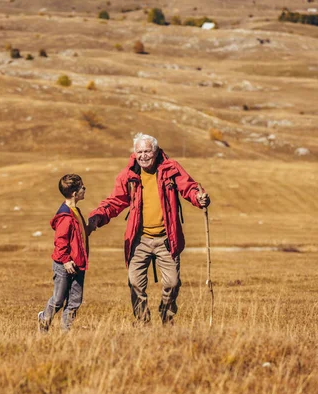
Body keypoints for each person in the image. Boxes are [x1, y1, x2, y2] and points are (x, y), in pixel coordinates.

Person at [88, 133, 210, 324]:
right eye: (139, 152)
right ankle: (143, 321)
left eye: (147, 151)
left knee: (172, 283)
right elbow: (115, 202)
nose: (143, 156)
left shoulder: (170, 169)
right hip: (139, 239)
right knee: (135, 283)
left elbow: (188, 187)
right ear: (134, 153)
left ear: (156, 151)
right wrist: (98, 217)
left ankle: (166, 315)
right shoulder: (129, 175)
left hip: (166, 239)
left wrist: (198, 198)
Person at [38, 174, 89, 332]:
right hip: (64, 265)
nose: (84, 189)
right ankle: (44, 319)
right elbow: (60, 242)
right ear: (75, 193)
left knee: (75, 300)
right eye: (82, 187)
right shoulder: (65, 217)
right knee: (59, 299)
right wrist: (66, 261)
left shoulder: (75, 211)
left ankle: (66, 332)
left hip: (77, 264)